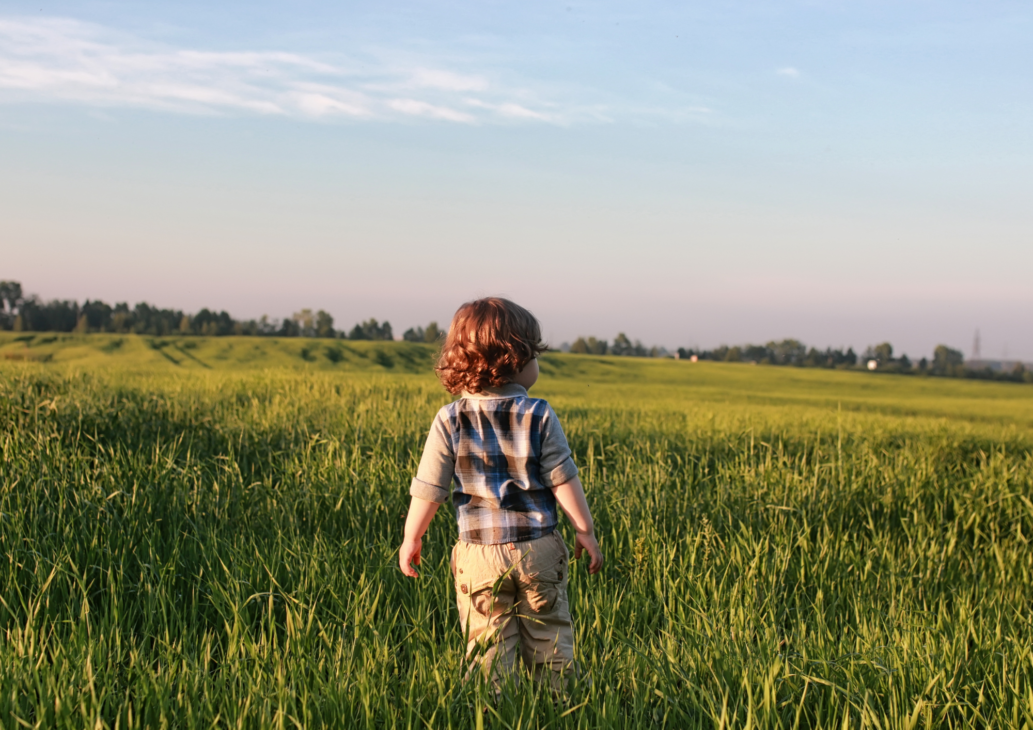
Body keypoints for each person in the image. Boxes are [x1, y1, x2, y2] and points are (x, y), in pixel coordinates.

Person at [398, 297, 603, 694]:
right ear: (516, 359)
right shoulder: (539, 414)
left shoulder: (450, 418)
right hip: (538, 548)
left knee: (487, 646)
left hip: (479, 555)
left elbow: (430, 489)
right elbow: (563, 479)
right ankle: (559, 706)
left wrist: (413, 537)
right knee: (550, 638)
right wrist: (585, 531)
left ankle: (493, 709)